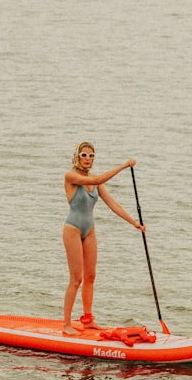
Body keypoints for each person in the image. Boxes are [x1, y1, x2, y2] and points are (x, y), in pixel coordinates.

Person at [62, 141, 145, 335]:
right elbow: (98, 179)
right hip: (72, 229)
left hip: (89, 230)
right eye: (84, 155)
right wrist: (124, 166)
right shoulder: (71, 176)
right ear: (77, 157)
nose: (88, 159)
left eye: (91, 156)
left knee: (91, 276)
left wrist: (134, 223)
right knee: (76, 279)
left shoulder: (95, 182)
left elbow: (113, 204)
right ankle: (66, 324)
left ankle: (88, 319)